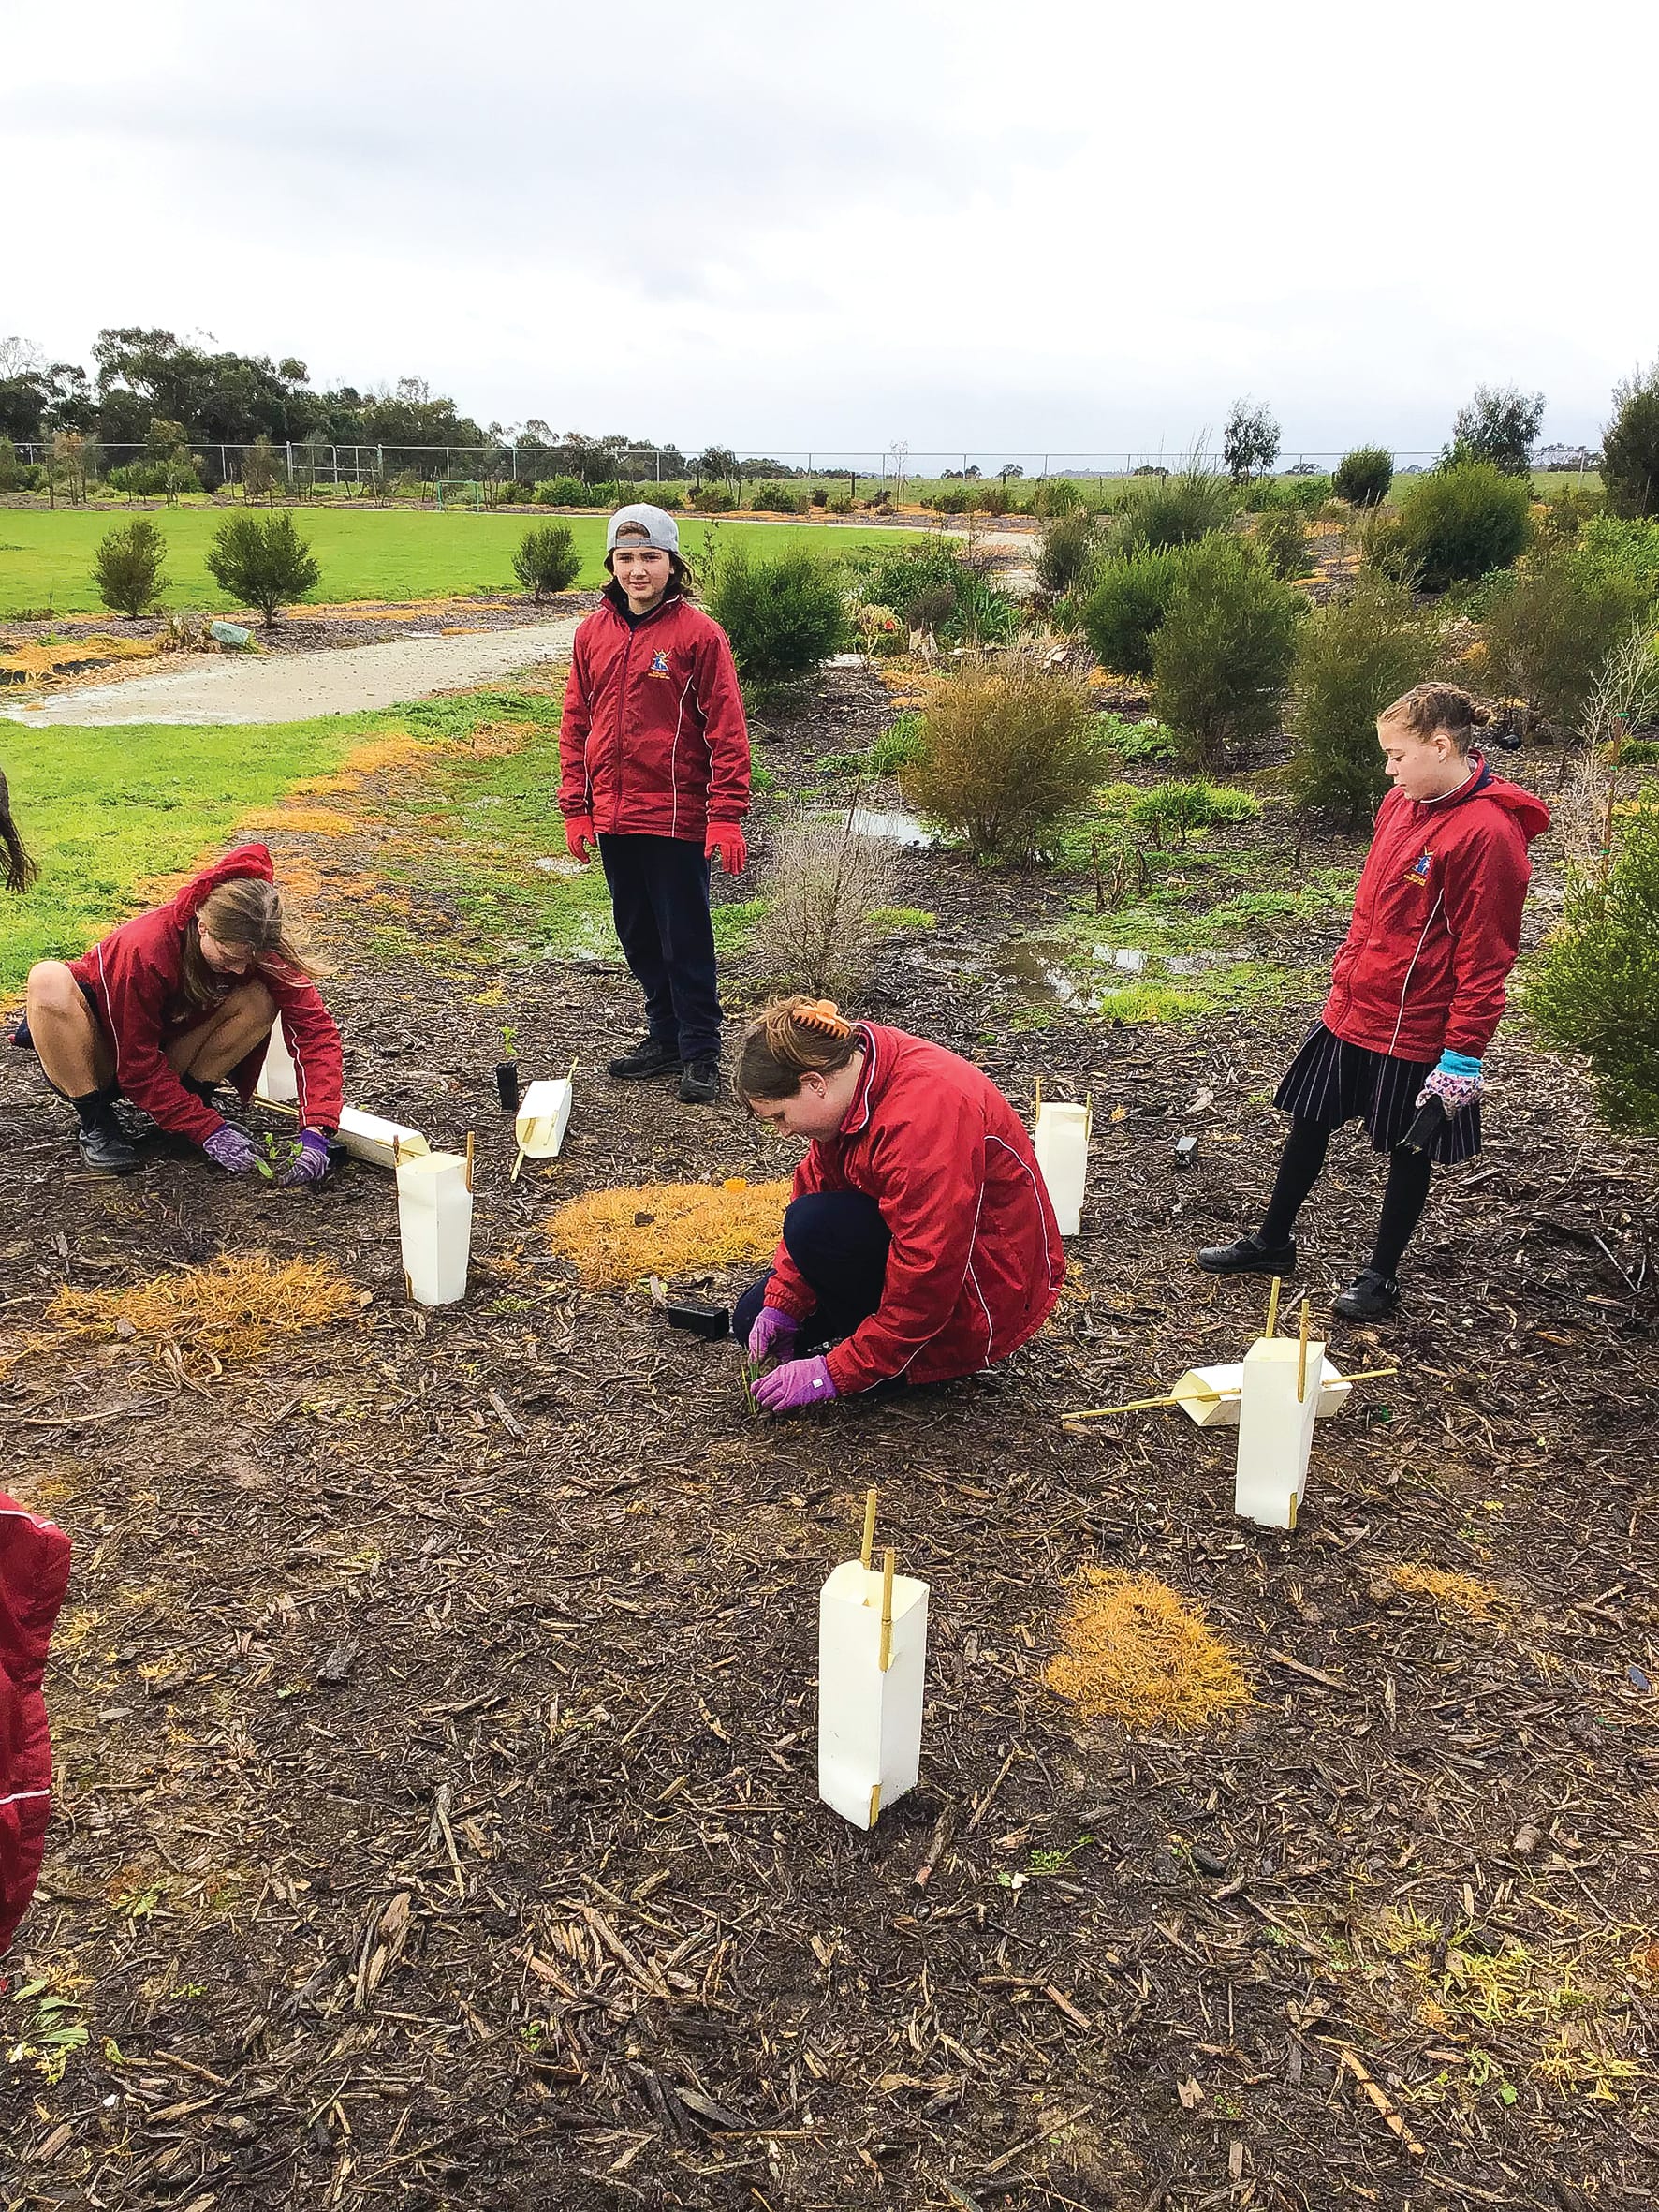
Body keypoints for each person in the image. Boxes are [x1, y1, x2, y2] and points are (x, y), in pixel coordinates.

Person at [1197, 683, 1549, 1320]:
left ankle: (1379, 1277)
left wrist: (1462, 1056)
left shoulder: (1489, 835)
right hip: (1356, 1007)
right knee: (1308, 1122)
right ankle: (1272, 1242)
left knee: (1409, 1150)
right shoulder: (1400, 803)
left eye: (1397, 755)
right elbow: (1374, 909)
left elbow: (1487, 956)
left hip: (1417, 1028)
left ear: (1441, 745)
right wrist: (1344, 978)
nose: (1387, 769)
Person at [732, 999, 1064, 1414]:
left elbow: (930, 1269)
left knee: (813, 1225)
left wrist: (834, 1373)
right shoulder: (851, 1088)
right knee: (751, 1319)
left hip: (980, 1288)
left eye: (781, 1115)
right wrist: (783, 1304)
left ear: (815, 1083)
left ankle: (904, 1363)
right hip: (908, 1251)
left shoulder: (924, 1116)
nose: (783, 1132)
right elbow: (814, 1187)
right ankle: (877, 1343)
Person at [560, 504, 750, 1107]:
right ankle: (664, 1035)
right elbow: (576, 722)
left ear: (672, 564)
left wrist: (724, 814)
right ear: (611, 564)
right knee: (637, 933)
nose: (637, 570)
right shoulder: (592, 634)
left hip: (675, 818)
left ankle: (700, 1050)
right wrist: (577, 807)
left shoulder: (698, 635)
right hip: (613, 815)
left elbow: (726, 727)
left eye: (650, 558)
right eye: (626, 558)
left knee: (684, 937)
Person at [17, 843, 343, 1178]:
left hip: (165, 1052)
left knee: (260, 995)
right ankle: (96, 1121)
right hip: (99, 1055)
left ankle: (192, 1103)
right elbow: (136, 1067)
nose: (238, 969)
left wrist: (317, 1129)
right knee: (47, 979)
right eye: (228, 958)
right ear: (203, 926)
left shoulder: (256, 945)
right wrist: (209, 1131)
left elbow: (315, 1031)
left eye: (249, 960)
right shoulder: (145, 949)